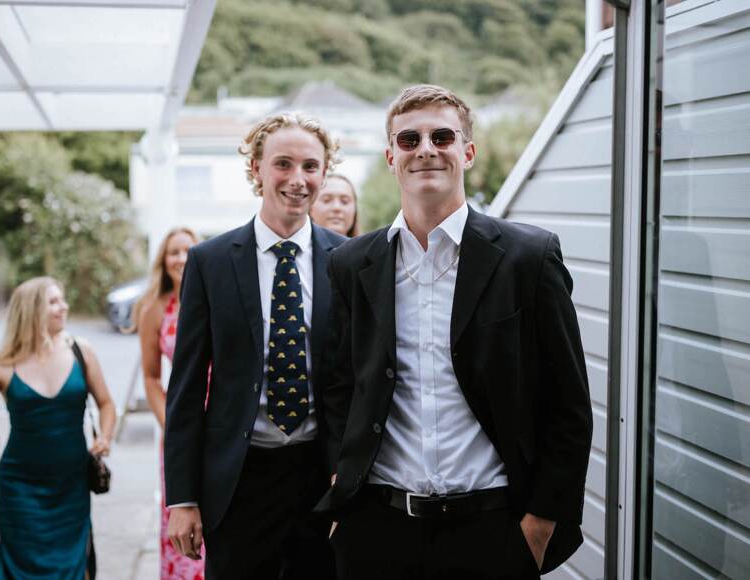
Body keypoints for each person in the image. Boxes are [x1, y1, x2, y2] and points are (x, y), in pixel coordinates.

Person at [315, 84, 593, 579]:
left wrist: (539, 525)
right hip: (376, 531)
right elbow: (338, 387)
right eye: (409, 139)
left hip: (493, 531)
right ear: (391, 158)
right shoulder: (351, 264)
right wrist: (342, 488)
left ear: (467, 152)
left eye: (441, 137)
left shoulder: (528, 258)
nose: (425, 149)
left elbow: (567, 404)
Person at [163, 112, 346, 580]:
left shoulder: (348, 260)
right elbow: (185, 389)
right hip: (238, 482)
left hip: (322, 481)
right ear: (256, 169)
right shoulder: (210, 262)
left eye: (310, 166)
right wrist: (182, 498)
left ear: (324, 172)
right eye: (283, 164)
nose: (298, 179)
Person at [0, 276, 117, 579]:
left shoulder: (82, 353)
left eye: (62, 299)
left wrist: (104, 438)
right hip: (20, 488)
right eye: (53, 302)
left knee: (72, 563)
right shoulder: (2, 367)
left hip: (71, 484)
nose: (64, 307)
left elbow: (106, 404)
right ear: (31, 310)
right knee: (22, 567)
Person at [132, 227, 205, 580]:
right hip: (179, 423)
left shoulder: (214, 297)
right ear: (163, 260)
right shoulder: (155, 309)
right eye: (174, 252)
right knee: (182, 517)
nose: (181, 259)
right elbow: (150, 378)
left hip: (222, 421)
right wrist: (172, 425)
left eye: (188, 251)